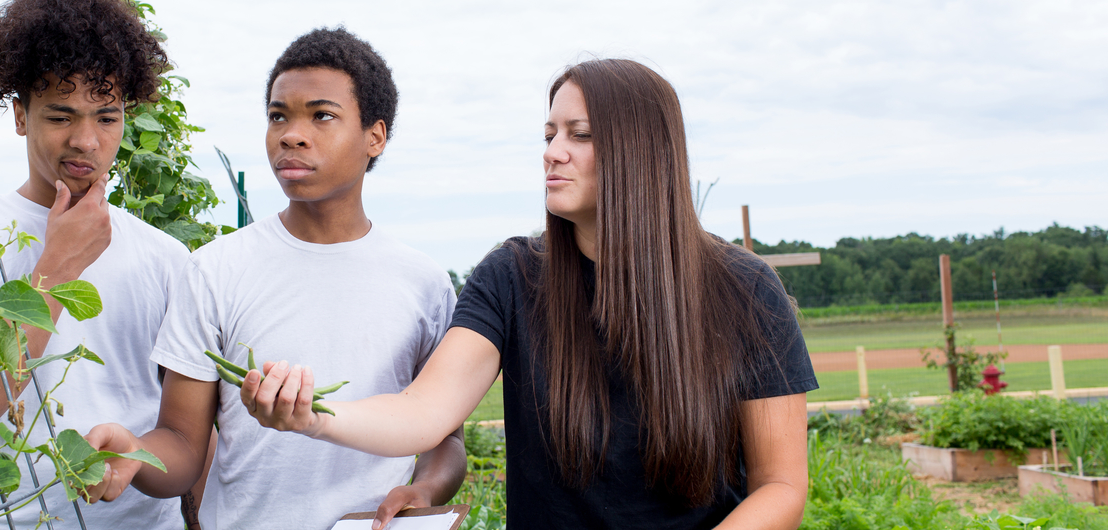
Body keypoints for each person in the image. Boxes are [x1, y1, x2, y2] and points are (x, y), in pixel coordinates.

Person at [235, 58, 819, 529]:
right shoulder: (512, 277)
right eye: (549, 133)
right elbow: (421, 413)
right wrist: (313, 416)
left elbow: (782, 486)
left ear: (643, 152)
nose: (552, 151)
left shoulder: (745, 290)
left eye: (580, 135)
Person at [79, 27, 467, 530]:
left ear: (376, 135)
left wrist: (425, 488)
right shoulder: (215, 269)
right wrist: (136, 453)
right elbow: (181, 446)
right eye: (278, 116)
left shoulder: (425, 283)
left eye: (321, 115)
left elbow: (445, 439)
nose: (291, 134)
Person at [0, 0, 190, 526]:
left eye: (107, 117)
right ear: (20, 115)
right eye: (61, 116)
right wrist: (57, 265)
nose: (86, 140)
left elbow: (188, 440)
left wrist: (136, 456)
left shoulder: (167, 258)